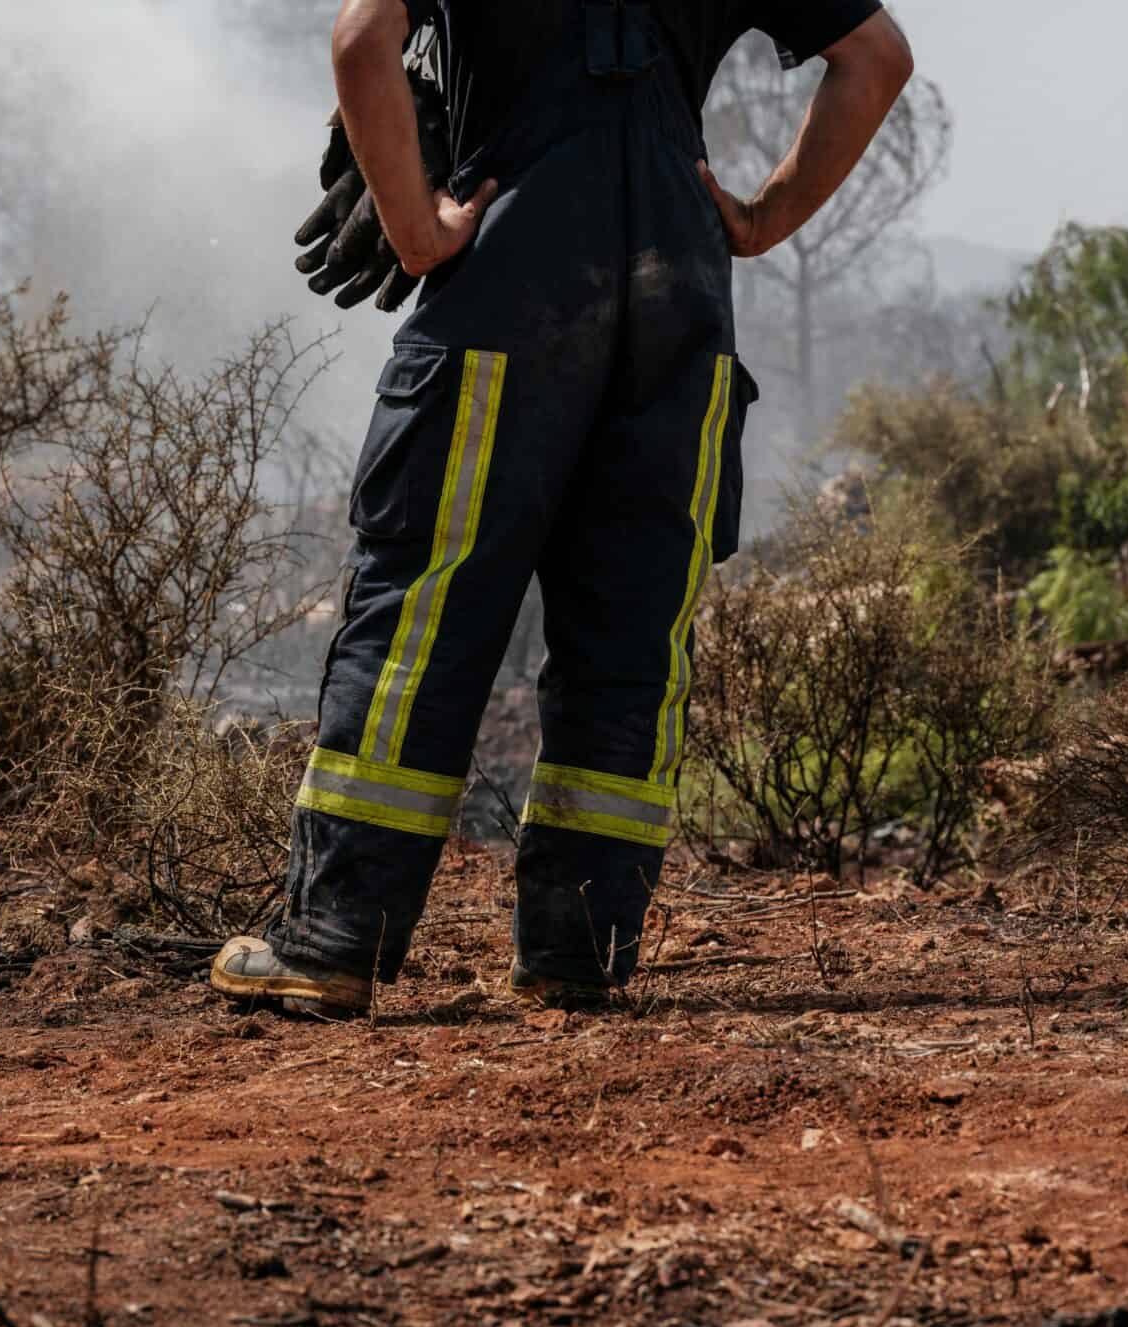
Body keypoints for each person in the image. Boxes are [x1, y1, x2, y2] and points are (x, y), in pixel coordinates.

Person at [213, 0, 916, 1015]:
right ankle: (576, 954)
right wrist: (764, 219)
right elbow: (877, 59)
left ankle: (333, 942)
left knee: (425, 610)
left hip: (509, 281)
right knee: (631, 635)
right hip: (679, 300)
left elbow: (362, 38)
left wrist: (417, 228)